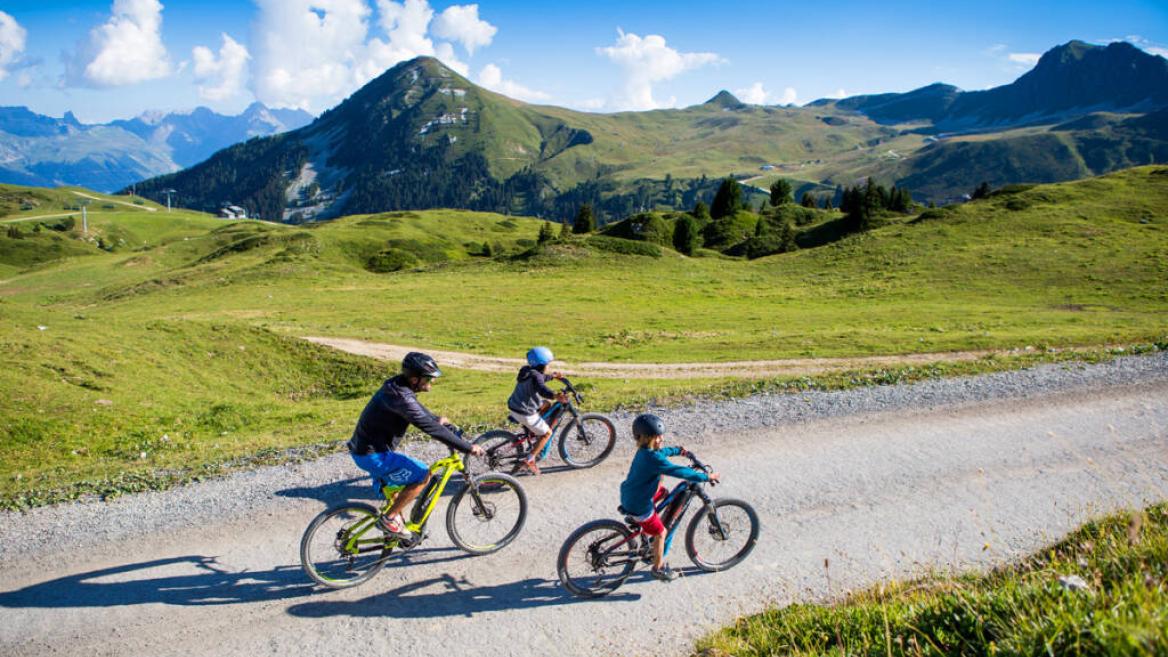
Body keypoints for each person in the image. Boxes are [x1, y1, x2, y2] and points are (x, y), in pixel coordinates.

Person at [347, 351, 484, 540]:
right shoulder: (401, 397)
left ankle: (397, 531)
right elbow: (429, 428)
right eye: (428, 378)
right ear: (414, 379)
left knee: (398, 488)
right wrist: (467, 447)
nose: (432, 382)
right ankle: (389, 519)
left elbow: (416, 410)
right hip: (373, 455)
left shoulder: (397, 387)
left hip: (364, 449)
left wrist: (436, 419)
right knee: (422, 475)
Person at [619, 413, 718, 582]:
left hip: (630, 494)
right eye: (658, 436)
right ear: (650, 438)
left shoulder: (644, 452)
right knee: (661, 532)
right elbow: (677, 471)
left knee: (664, 493)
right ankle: (658, 569)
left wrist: (678, 450)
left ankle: (645, 523)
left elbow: (662, 452)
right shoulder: (654, 459)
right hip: (639, 504)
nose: (662, 438)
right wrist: (706, 477)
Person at [506, 346, 568, 475]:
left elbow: (539, 378)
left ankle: (534, 430)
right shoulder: (537, 377)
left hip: (514, 405)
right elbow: (542, 389)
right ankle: (530, 459)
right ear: (542, 365)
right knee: (547, 433)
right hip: (525, 412)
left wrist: (552, 376)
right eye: (548, 364)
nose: (549, 366)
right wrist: (557, 396)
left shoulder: (526, 370)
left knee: (546, 404)